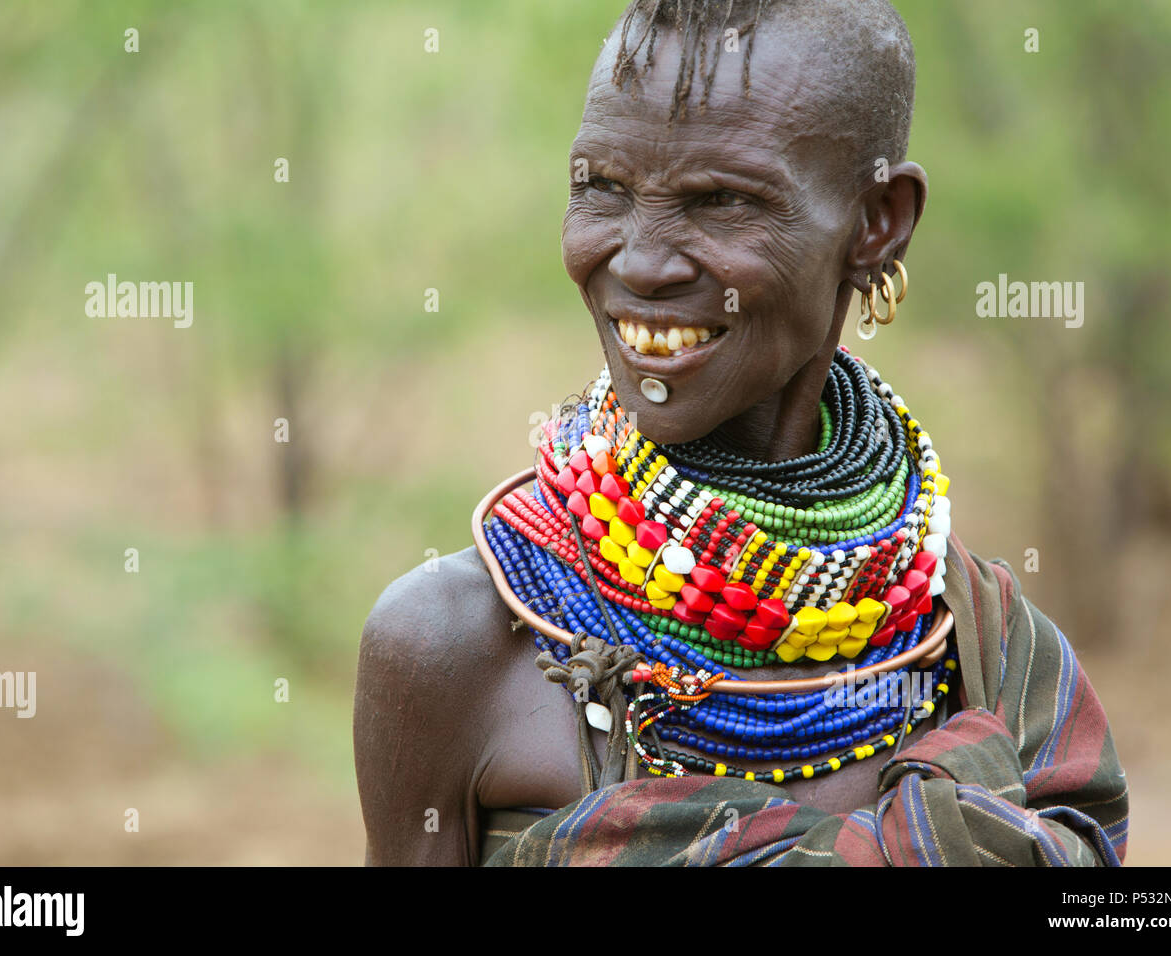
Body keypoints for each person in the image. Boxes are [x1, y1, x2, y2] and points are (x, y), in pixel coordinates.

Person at [353, 0, 1128, 867]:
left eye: (721, 201)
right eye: (601, 189)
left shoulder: (985, 652)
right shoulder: (457, 642)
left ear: (878, 224)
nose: (641, 262)